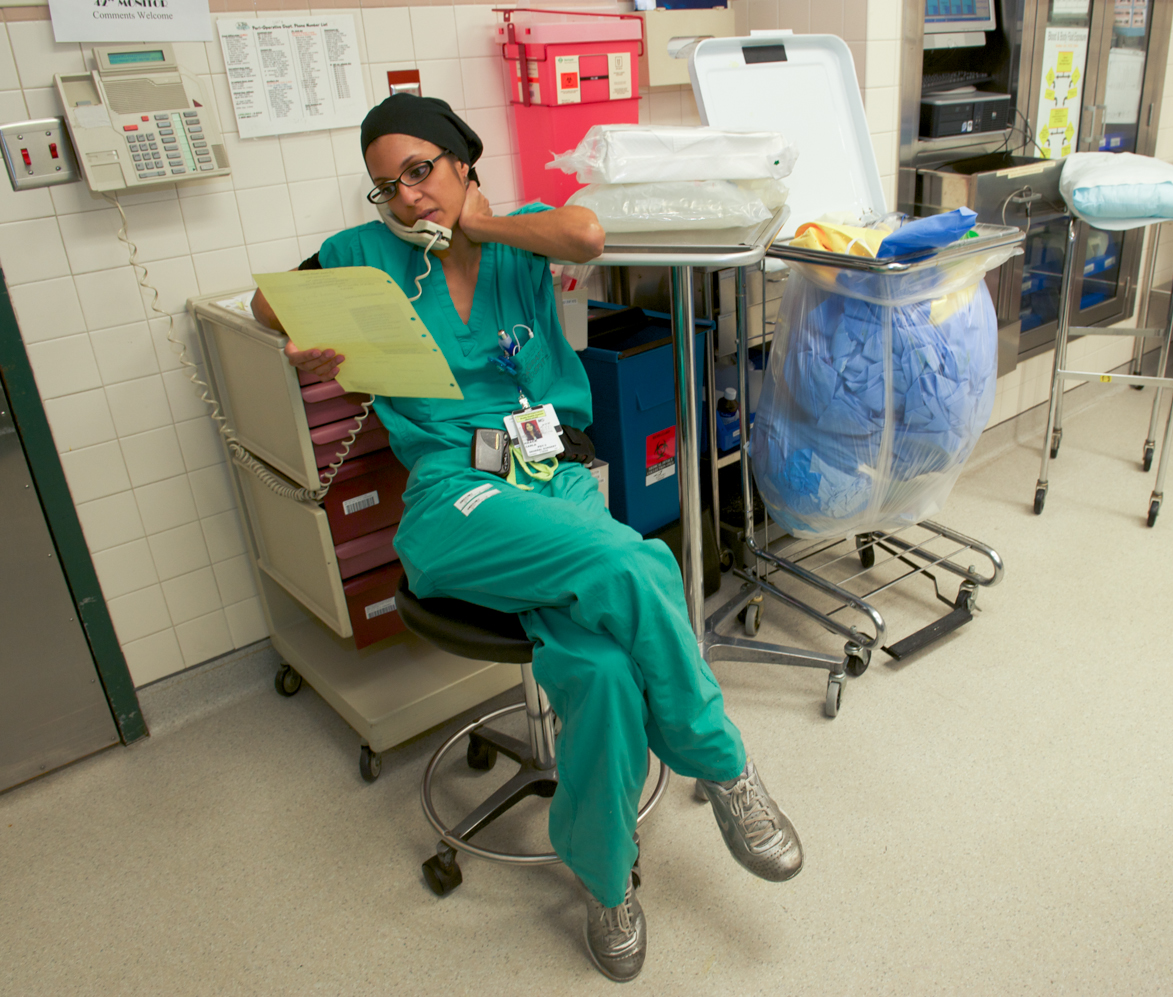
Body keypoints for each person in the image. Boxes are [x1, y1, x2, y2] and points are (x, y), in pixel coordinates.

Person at [249, 94, 802, 983]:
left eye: (422, 170)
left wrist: (488, 223)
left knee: (606, 671)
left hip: (555, 479)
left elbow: (585, 236)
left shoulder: (522, 234)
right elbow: (268, 303)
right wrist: (307, 342)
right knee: (637, 560)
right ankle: (725, 766)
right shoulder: (364, 256)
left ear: (464, 160)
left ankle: (604, 878)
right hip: (454, 495)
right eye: (388, 185)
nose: (408, 197)